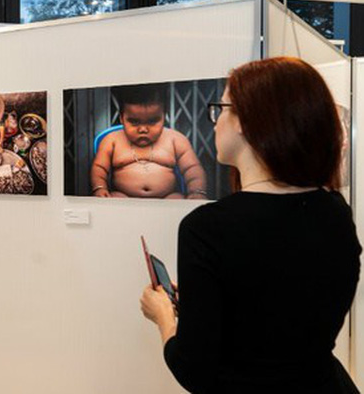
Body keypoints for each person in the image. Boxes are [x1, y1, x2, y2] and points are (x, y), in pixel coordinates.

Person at [140, 57, 360, 393]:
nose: (215, 122)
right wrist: (207, 302)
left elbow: (194, 370)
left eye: (222, 107)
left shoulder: (208, 228)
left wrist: (164, 318)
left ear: (245, 119)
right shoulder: (335, 212)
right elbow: (282, 311)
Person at [91, 84, 207, 199]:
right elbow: (99, 168)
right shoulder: (112, 140)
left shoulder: (176, 140)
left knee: (177, 199)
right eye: (134, 121)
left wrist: (197, 191)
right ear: (122, 118)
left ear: (164, 116)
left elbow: (192, 168)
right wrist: (100, 188)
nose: (143, 129)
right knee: (114, 198)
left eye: (152, 121)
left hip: (166, 198)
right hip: (125, 198)